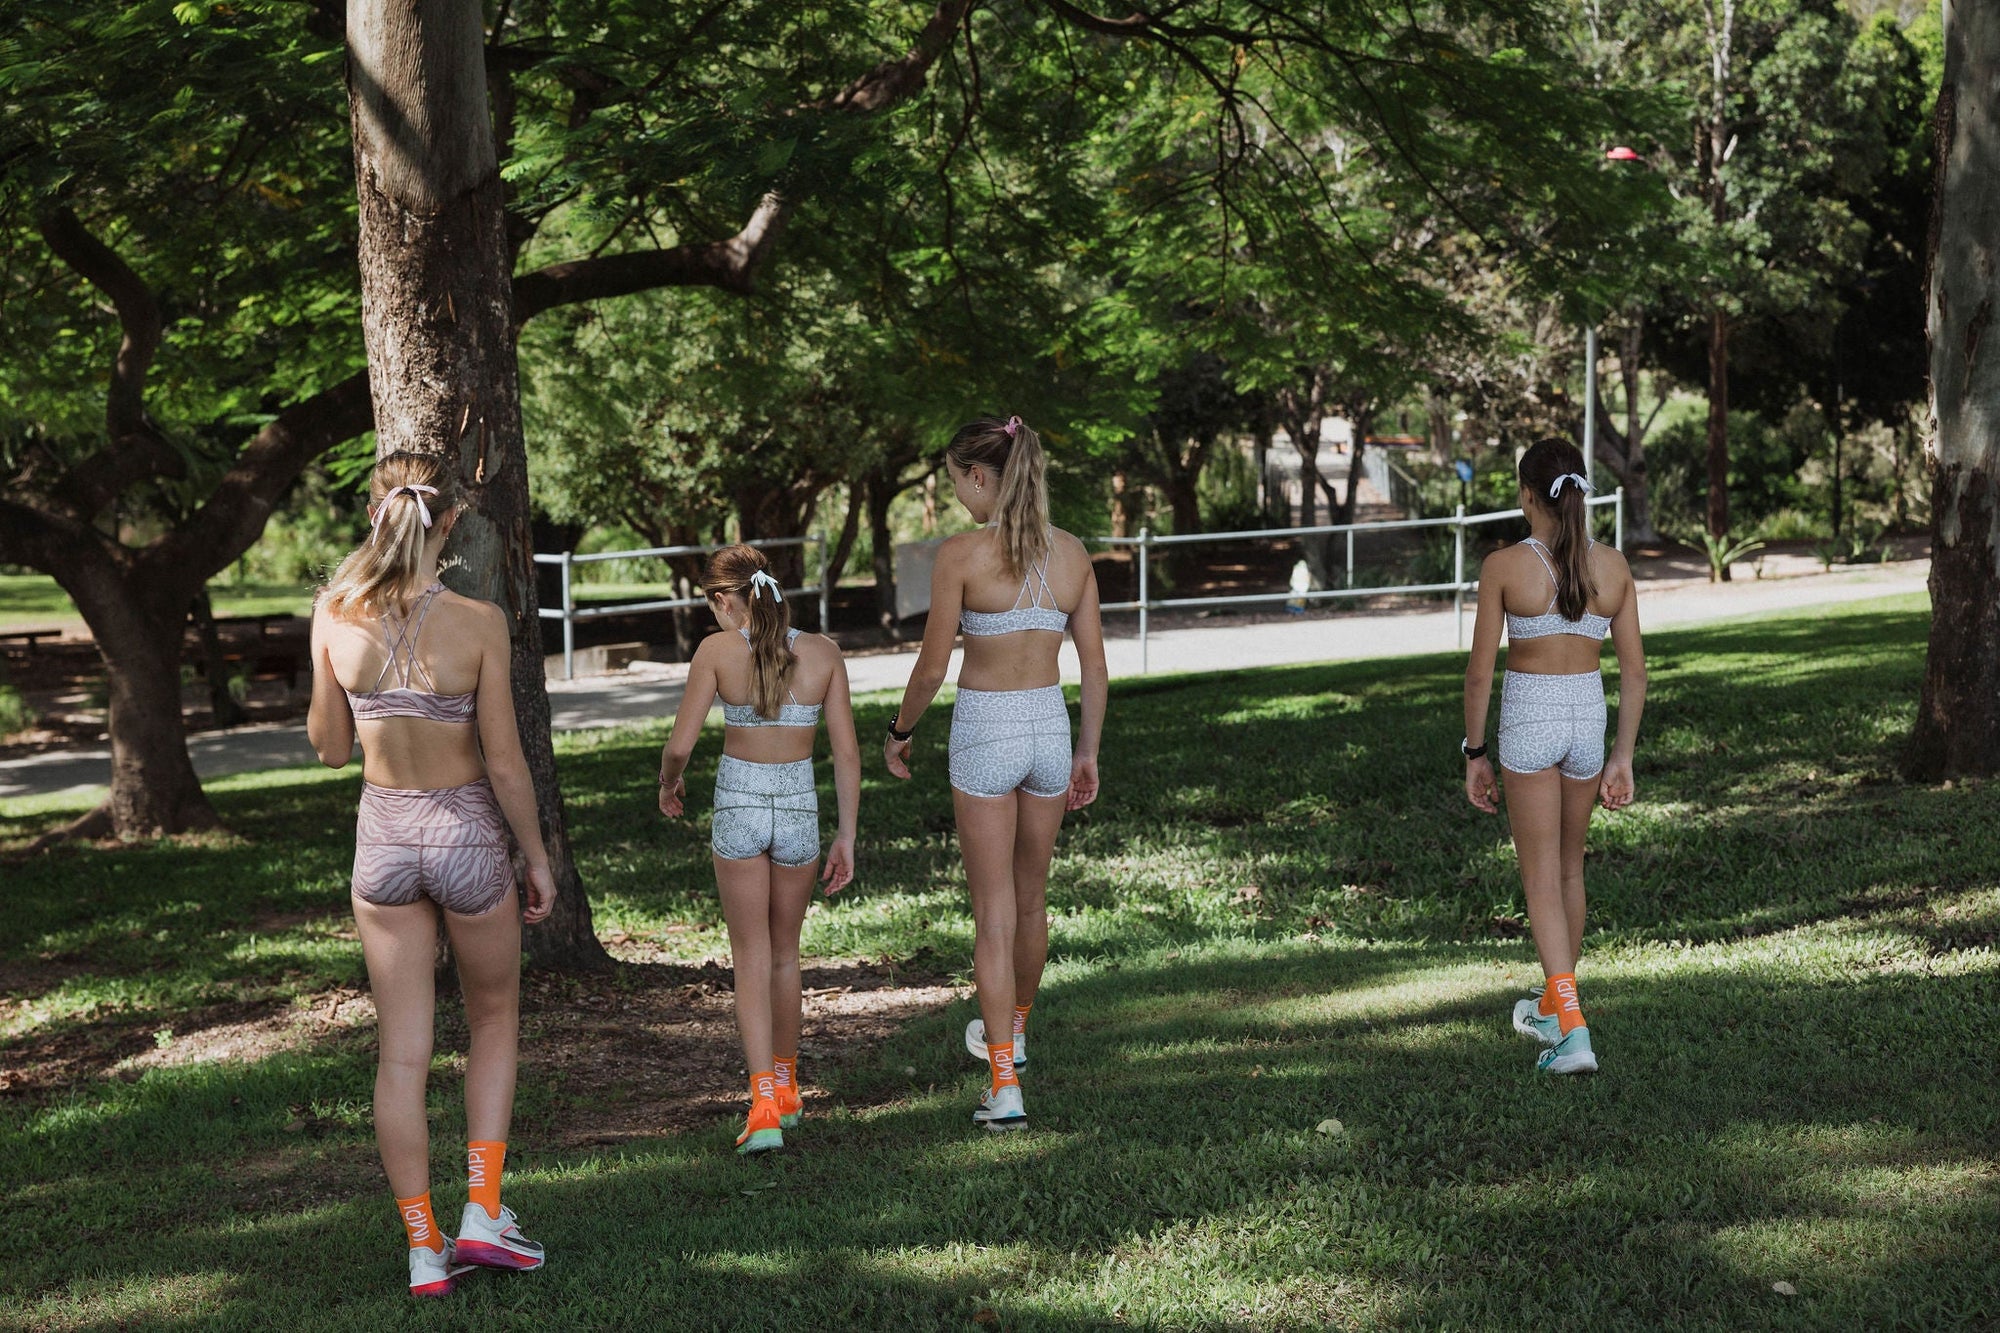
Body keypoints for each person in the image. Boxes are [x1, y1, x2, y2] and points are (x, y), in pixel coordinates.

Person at [307, 452, 556, 1298]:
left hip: (382, 837)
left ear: (374, 513)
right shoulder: (479, 620)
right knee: (492, 1019)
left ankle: (423, 1249)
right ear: (448, 523)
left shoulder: (334, 614)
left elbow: (333, 748)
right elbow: (505, 760)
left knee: (402, 1053)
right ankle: (481, 1211)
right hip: (464, 833)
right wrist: (536, 855)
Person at [884, 415, 1108, 1130]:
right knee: (1032, 899)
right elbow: (1096, 668)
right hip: (1050, 725)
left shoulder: (961, 556)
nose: (958, 498)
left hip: (985, 728)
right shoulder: (1072, 555)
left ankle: (1004, 1083)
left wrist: (899, 731)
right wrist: (1087, 751)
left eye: (956, 483)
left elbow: (930, 668)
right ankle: (1015, 1028)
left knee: (993, 915)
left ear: (980, 475)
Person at [657, 544, 859, 1154]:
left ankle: (764, 1105)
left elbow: (679, 744)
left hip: (740, 805)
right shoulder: (823, 653)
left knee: (749, 955)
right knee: (784, 955)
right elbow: (846, 754)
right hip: (800, 806)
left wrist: (669, 783)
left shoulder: (717, 653)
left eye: (711, 604)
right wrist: (846, 834)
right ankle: (791, 1087)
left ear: (725, 599)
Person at [1462, 439, 1646, 1076]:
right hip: (1588, 719)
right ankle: (1550, 1004)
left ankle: (1572, 1033)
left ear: (1527, 496)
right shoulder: (1615, 567)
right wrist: (1621, 756)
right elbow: (1635, 674)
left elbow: (1480, 675)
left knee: (1539, 876)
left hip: (1531, 718)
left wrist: (1475, 751)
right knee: (1569, 871)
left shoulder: (1505, 566)